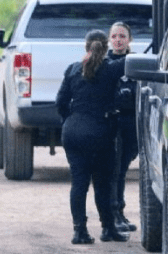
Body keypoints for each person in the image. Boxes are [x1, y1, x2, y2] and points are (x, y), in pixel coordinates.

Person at [56, 29, 129, 245]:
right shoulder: (112, 68)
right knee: (103, 184)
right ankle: (108, 228)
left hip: (73, 131)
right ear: (106, 47)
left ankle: (80, 231)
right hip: (100, 132)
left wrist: (70, 120)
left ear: (85, 46)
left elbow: (60, 102)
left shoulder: (72, 69)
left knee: (79, 183)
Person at [108, 22, 139, 233]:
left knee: (122, 170)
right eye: (114, 36)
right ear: (110, 39)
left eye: (122, 36)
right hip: (112, 124)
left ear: (129, 39)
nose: (118, 40)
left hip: (131, 123)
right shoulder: (105, 62)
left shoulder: (136, 62)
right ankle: (113, 214)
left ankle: (120, 213)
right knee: (114, 171)